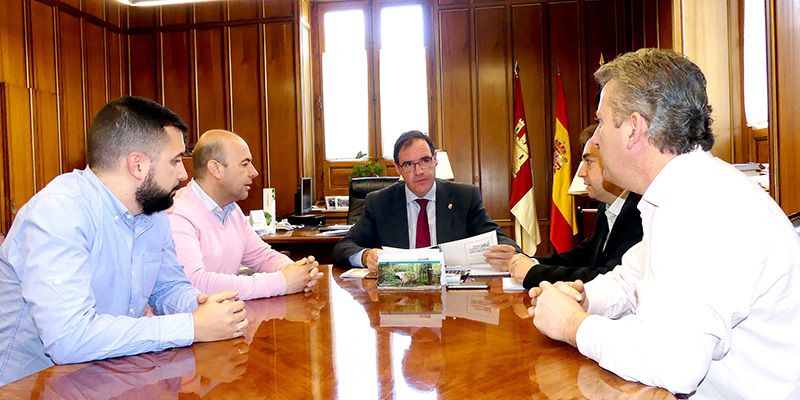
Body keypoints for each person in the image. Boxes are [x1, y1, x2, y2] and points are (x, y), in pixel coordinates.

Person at [529, 48, 800, 398]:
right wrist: (583, 298)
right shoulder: (679, 192)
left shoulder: (705, 207)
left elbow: (675, 365)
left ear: (633, 129)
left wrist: (573, 325)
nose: (594, 139)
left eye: (600, 121)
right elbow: (631, 281)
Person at [0, 97, 248, 386]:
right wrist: (191, 326)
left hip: (106, 375)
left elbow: (168, 288)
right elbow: (69, 338)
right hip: (29, 384)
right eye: (176, 160)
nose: (184, 175)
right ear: (137, 165)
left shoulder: (152, 211)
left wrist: (202, 304)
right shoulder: (58, 212)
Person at [331, 130, 520, 271]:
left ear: (435, 159)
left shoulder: (465, 197)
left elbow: (497, 238)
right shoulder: (380, 202)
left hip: (453, 297)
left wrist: (511, 253)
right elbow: (344, 247)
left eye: (424, 161)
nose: (419, 171)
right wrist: (365, 256)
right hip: (398, 300)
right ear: (398, 168)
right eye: (408, 164)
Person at [168, 130, 323, 300]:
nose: (254, 172)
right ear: (216, 169)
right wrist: (283, 282)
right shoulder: (177, 212)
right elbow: (195, 283)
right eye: (245, 164)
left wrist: (298, 272)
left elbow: (262, 257)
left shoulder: (232, 209)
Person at [503, 126, 643, 289]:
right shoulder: (606, 207)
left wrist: (534, 273)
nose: (580, 173)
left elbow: (610, 277)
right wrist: (532, 262)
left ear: (615, 161)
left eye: (588, 162)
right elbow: (584, 255)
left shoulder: (640, 212)